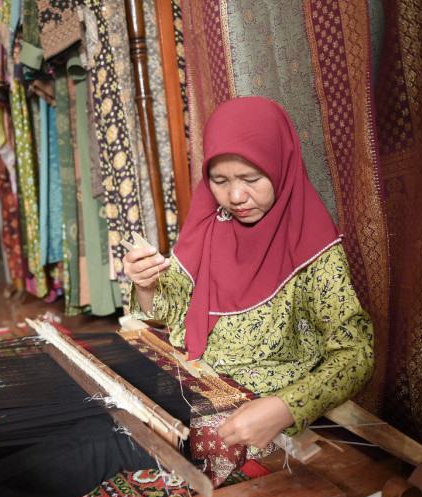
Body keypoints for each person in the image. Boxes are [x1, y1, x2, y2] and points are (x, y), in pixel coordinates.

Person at [123, 96, 374, 452]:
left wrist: (286, 408)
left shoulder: (314, 247)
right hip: (196, 389)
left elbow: (356, 353)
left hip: (261, 419)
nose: (235, 196)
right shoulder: (209, 226)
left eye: (251, 178)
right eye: (219, 180)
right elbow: (167, 312)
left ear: (280, 165)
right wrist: (145, 284)